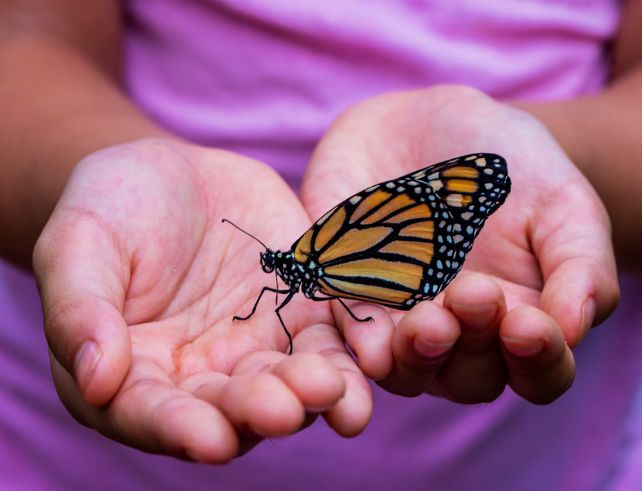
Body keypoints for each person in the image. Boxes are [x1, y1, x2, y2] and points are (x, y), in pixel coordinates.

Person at [0, 0, 640, 488]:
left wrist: (567, 162)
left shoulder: (320, 251)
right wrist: (100, 173)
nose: (280, 269)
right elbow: (25, 39)